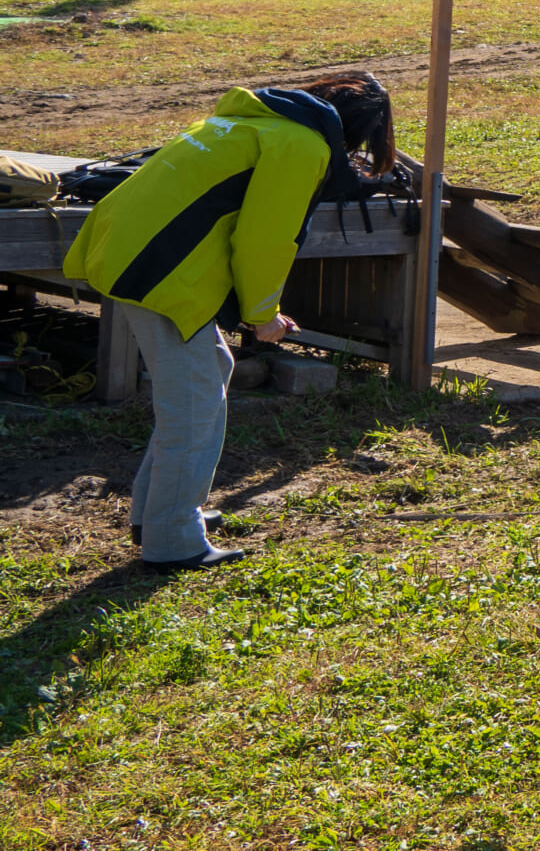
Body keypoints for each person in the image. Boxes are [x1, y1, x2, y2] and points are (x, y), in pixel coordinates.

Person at [64, 73, 399, 569]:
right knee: (194, 407)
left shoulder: (242, 120)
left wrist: (257, 311)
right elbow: (265, 239)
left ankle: (156, 511)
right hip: (158, 271)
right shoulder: (301, 146)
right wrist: (261, 317)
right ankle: (172, 539)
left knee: (209, 373)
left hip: (125, 252)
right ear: (358, 131)